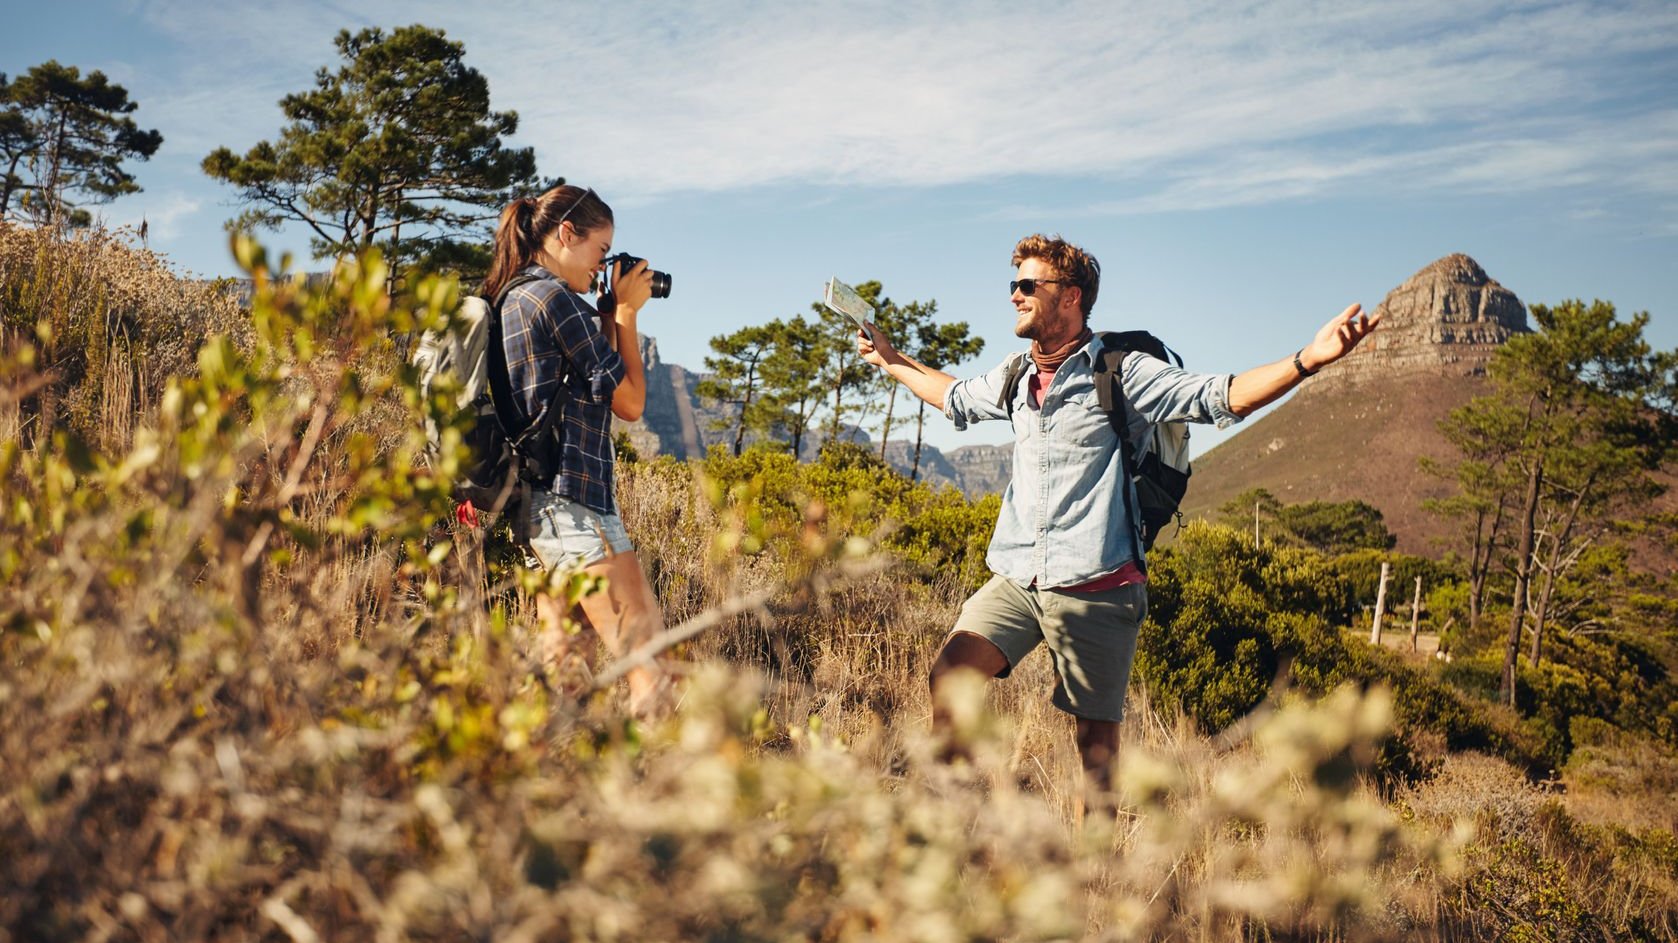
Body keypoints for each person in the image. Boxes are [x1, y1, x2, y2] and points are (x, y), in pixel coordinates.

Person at [856, 233, 1381, 797]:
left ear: (1071, 297)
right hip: (1020, 579)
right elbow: (953, 396)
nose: (1015, 295)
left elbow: (1220, 396)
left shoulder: (1121, 372)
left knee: (1096, 763)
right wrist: (890, 359)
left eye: (1029, 285)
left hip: (1098, 586)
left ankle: (1096, 873)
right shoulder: (1016, 375)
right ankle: (950, 821)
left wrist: (1307, 360)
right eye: (1013, 285)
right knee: (950, 676)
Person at [481, 184, 667, 716]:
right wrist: (628, 315)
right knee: (647, 669)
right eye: (601, 253)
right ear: (566, 234)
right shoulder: (554, 300)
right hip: (574, 505)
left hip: (548, 508)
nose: (602, 267)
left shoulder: (521, 295)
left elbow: (594, 389)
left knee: (564, 671)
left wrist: (608, 311)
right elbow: (629, 403)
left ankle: (543, 783)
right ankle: (664, 790)